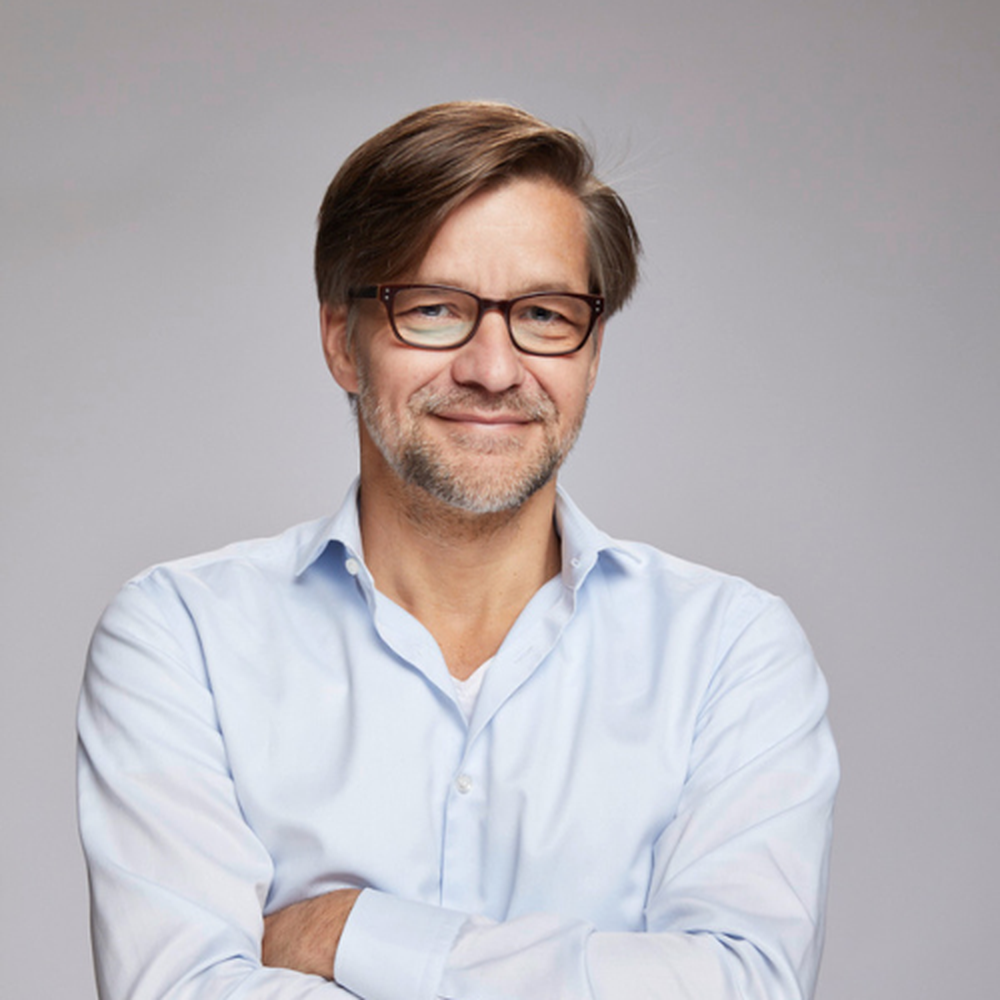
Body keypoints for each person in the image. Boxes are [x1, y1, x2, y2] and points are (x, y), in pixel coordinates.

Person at [78, 101, 838, 1000]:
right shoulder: (182, 639)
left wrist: (353, 932)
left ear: (592, 352)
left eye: (545, 314)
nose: (493, 369)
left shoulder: (729, 652)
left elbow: (747, 986)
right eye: (434, 309)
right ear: (342, 342)